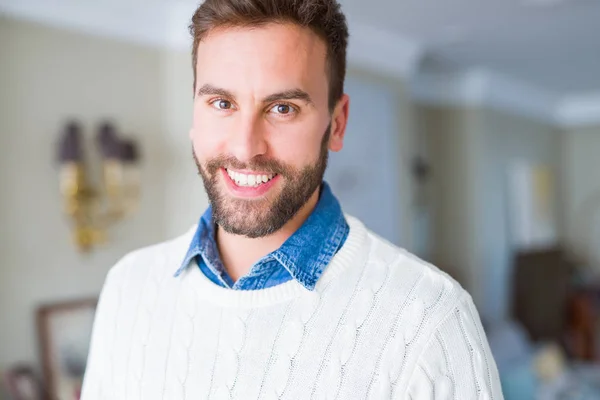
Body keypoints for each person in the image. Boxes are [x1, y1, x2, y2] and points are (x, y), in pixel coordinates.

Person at [81, 0, 502, 398]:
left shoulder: (430, 320)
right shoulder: (127, 286)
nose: (246, 149)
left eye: (282, 108)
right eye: (222, 102)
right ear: (195, 113)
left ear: (336, 124)